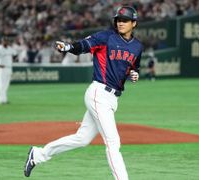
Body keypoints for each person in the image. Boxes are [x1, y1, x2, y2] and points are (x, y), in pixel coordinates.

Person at [24, 6, 142, 180]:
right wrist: (69, 46)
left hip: (112, 99)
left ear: (134, 23)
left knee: (82, 138)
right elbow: (83, 46)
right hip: (98, 93)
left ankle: (38, 154)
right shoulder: (106, 37)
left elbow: (133, 68)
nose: (121, 23)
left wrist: (134, 74)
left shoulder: (137, 47)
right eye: (118, 19)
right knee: (113, 142)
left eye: (125, 20)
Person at [0, 37, 17, 105]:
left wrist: (13, 59)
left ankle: (5, 99)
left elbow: (15, 54)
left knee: (6, 85)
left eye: (7, 41)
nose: (6, 42)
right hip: (2, 68)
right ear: (2, 42)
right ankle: (1, 100)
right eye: (4, 41)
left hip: (9, 68)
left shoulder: (9, 48)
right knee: (1, 84)